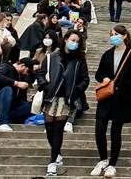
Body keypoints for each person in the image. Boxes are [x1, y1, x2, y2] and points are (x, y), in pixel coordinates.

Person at [90, 25, 131, 177]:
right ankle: (103, 159)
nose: (113, 36)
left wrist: (126, 85)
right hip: (106, 96)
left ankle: (112, 164)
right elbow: (99, 73)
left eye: (116, 34)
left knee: (116, 132)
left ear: (124, 36)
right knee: (99, 129)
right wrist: (104, 78)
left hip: (122, 97)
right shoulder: (107, 54)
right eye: (112, 34)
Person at [36, 30, 89, 177]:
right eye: (72, 40)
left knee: (58, 128)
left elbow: (85, 79)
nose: (74, 43)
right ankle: (57, 153)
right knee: (49, 127)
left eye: (77, 42)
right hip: (51, 96)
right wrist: (44, 85)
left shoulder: (79, 60)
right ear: (65, 39)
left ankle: (52, 162)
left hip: (67, 98)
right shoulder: (51, 57)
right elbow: (41, 73)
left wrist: (76, 91)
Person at [0, 57, 36, 132]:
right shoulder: (6, 67)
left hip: (12, 106)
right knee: (8, 89)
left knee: (31, 106)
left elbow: (22, 99)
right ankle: (2, 123)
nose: (27, 74)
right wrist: (16, 83)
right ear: (22, 66)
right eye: (27, 71)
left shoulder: (22, 78)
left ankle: (0, 118)